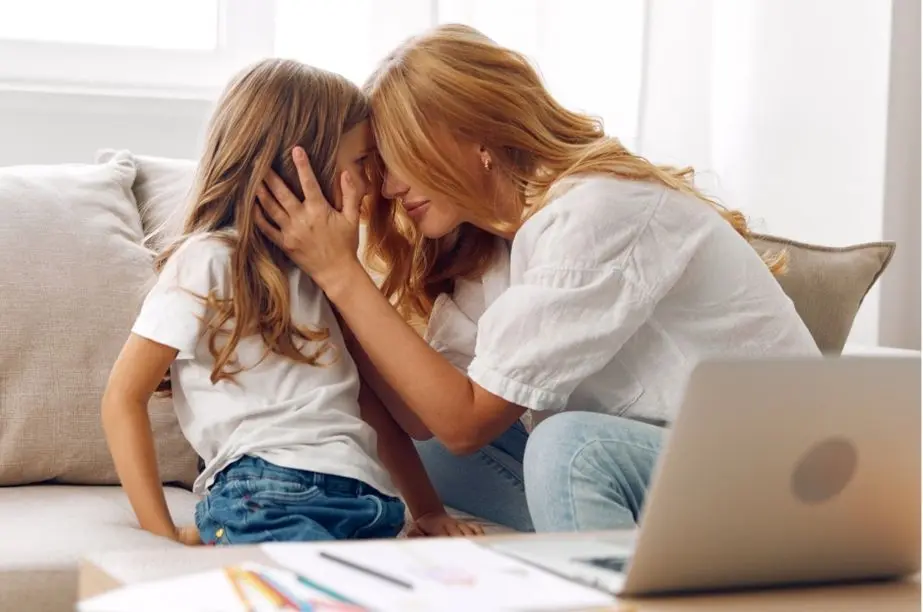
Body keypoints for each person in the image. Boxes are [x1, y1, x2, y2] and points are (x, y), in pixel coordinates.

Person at [254, 25, 820, 533]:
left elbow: (466, 422)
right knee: (412, 453)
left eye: (402, 156)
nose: (392, 187)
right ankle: (591, 543)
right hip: (666, 465)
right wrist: (327, 283)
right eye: (381, 164)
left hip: (768, 474)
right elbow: (427, 418)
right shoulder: (491, 249)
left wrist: (343, 274)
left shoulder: (598, 212)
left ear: (477, 137)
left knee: (567, 448)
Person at [101, 58, 483, 546]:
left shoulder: (327, 272)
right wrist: (159, 533)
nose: (371, 185)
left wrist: (428, 510)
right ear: (300, 162)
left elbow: (363, 402)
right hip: (266, 487)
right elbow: (122, 396)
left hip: (367, 498)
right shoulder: (208, 261)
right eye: (361, 163)